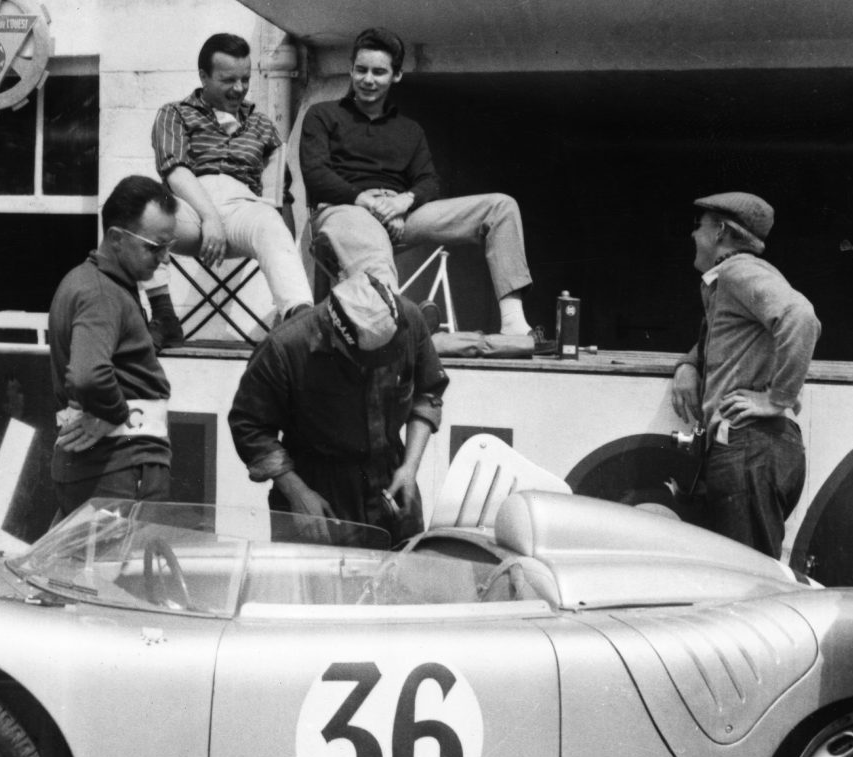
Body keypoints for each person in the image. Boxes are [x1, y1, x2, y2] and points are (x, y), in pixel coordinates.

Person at [299, 26, 534, 336]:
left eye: (379, 72)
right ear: (351, 69)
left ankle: (514, 324)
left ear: (396, 75)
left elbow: (428, 181)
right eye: (361, 70)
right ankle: (399, 323)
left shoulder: (409, 130)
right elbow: (316, 174)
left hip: (398, 214)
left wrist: (402, 202)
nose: (368, 79)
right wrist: (368, 203)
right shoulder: (322, 115)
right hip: (343, 212)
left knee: (501, 207)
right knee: (371, 244)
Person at [228, 271, 449, 545]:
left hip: (392, 481)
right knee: (322, 574)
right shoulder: (284, 347)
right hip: (317, 492)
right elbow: (248, 427)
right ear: (337, 338)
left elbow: (428, 392)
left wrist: (410, 467)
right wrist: (298, 494)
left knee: (403, 570)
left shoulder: (410, 318)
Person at [668, 192, 820, 558]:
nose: (693, 234)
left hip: (749, 448)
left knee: (748, 579)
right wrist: (688, 365)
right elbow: (724, 337)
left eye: (699, 226)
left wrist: (777, 398)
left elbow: (801, 317)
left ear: (720, 231)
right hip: (755, 450)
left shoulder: (738, 271)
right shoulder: (733, 279)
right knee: (742, 572)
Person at [143, 32, 313, 347]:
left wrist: (285, 245)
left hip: (242, 207)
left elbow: (280, 195)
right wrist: (209, 217)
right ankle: (164, 316)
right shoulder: (175, 113)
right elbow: (175, 171)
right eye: (228, 80)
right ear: (204, 76)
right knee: (141, 209)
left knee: (270, 222)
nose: (239, 88)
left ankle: (297, 323)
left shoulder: (263, 125)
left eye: (245, 79)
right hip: (189, 207)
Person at [48, 175, 179, 517]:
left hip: (106, 466)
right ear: (116, 238)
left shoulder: (96, 283)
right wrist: (116, 414)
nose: (165, 258)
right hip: (119, 465)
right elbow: (89, 375)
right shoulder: (102, 293)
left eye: (169, 245)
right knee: (123, 554)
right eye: (154, 247)